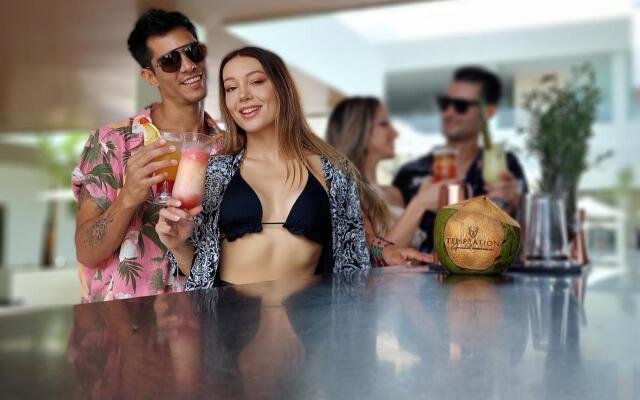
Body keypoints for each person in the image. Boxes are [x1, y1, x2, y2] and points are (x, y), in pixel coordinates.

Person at [156, 47, 429, 289]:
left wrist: (386, 252)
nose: (243, 96)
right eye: (231, 88)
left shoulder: (331, 169)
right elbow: (200, 271)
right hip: (229, 322)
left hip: (309, 321)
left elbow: (355, 239)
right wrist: (177, 245)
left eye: (256, 82)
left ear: (281, 87)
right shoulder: (215, 172)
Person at [72, 9, 219, 302]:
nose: (189, 66)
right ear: (150, 76)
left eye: (193, 52)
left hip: (202, 318)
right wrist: (128, 197)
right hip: (122, 322)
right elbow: (87, 252)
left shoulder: (230, 148)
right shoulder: (111, 142)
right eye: (170, 60)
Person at [392, 66, 528, 252]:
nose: (448, 113)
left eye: (460, 106)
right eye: (444, 103)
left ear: (488, 112)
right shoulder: (410, 173)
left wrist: (516, 206)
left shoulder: (505, 167)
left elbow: (525, 246)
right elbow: (384, 245)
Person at [327, 96, 433, 249]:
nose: (395, 133)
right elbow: (373, 256)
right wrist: (420, 203)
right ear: (358, 131)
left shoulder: (394, 193)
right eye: (384, 124)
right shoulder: (345, 193)